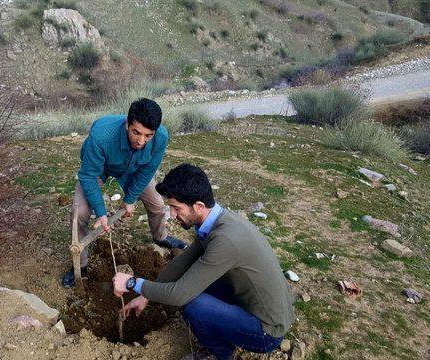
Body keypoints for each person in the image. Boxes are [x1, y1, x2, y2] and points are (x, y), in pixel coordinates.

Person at [112, 164, 295, 360]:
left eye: (176, 208)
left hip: (266, 332)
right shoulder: (218, 220)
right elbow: (184, 261)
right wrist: (146, 295)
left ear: (198, 206)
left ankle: (221, 354)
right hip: (257, 304)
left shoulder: (225, 240)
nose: (172, 215)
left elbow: (179, 295)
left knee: (191, 304)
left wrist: (132, 283)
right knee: (190, 283)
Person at [62, 98, 187, 288]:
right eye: (136, 132)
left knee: (158, 205)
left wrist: (130, 199)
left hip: (134, 169)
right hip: (100, 167)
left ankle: (160, 237)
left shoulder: (161, 137)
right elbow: (88, 175)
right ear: (127, 123)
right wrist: (101, 212)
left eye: (147, 135)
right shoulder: (101, 136)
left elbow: (148, 170)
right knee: (79, 213)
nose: (141, 141)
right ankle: (81, 265)